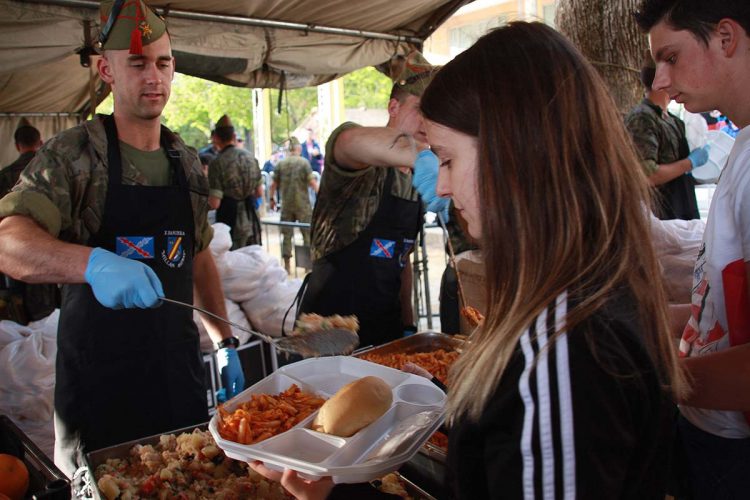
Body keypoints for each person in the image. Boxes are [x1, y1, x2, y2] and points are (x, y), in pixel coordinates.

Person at [251, 22, 686, 499]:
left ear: (513, 154)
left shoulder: (561, 350)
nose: (440, 184)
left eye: (448, 159)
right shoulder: (579, 299)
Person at [0, 0, 244, 476]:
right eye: (136, 64)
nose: (153, 77)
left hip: (178, 381)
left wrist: (225, 340)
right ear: (105, 69)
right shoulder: (75, 155)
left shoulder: (186, 161)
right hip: (100, 391)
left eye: (163, 63)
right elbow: (9, 240)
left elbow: (197, 257)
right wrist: (93, 264)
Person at [635, 1, 750, 497]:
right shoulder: (744, 145)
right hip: (710, 429)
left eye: (671, 57)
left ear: (725, 38)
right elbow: (721, 308)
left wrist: (643, 379)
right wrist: (641, 319)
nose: (660, 80)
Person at [296, 51, 435, 349]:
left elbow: (402, 258)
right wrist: (434, 156)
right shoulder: (361, 160)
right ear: (393, 106)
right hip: (330, 332)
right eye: (420, 109)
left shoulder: (415, 178)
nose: (427, 121)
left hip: (387, 331)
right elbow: (348, 142)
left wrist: (408, 325)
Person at [625, 58, 710, 220]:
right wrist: (690, 163)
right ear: (661, 80)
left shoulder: (672, 120)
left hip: (683, 210)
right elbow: (646, 176)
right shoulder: (642, 118)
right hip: (661, 217)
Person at [0, 120, 58, 324]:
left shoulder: (4, 175)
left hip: (15, 253)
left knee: (19, 311)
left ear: (17, 145)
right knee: (51, 316)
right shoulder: (54, 171)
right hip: (55, 250)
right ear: (40, 142)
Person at [208, 114, 263, 249]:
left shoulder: (217, 163)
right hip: (252, 220)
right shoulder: (251, 158)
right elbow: (259, 192)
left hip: (230, 223)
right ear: (234, 137)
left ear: (216, 138)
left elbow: (215, 203)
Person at [269, 137, 319, 273]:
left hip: (286, 205)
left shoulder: (281, 164)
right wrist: (321, 196)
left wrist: (271, 199)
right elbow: (312, 183)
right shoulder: (304, 163)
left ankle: (287, 265)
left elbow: (273, 185)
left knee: (286, 235)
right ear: (299, 149)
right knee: (307, 235)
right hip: (302, 205)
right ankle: (307, 266)